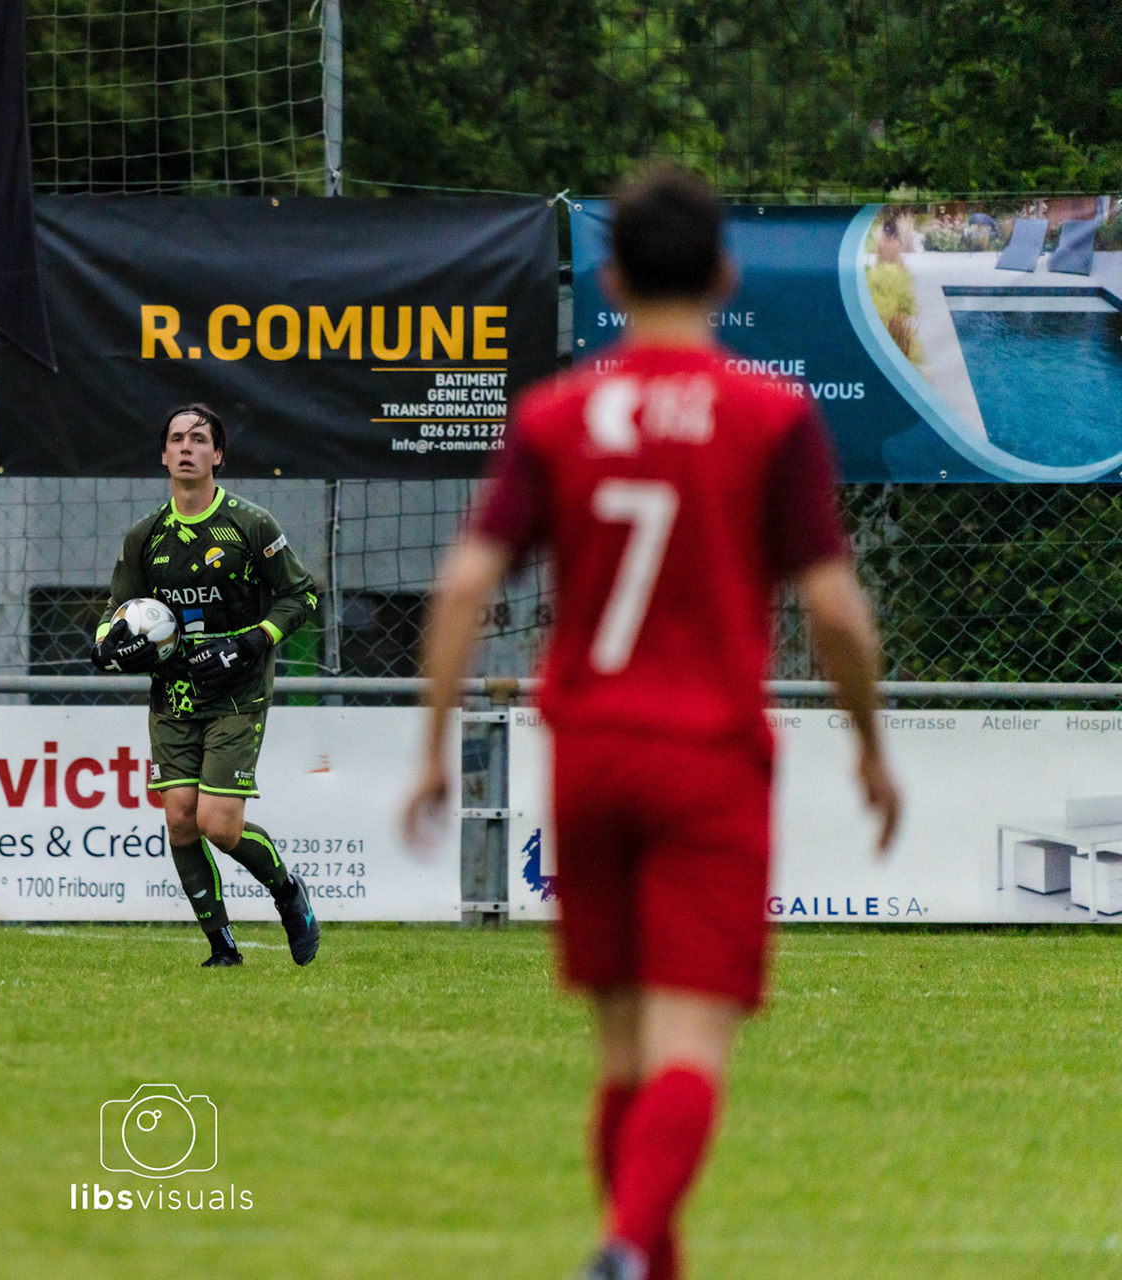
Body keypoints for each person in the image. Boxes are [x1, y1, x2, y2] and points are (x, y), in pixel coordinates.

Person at [403, 167, 902, 1280]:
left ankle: (641, 1258)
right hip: (707, 755)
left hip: (586, 751)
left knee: (622, 1053)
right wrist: (871, 745)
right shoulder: (770, 414)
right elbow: (834, 610)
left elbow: (462, 584)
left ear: (614, 277)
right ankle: (627, 1245)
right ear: (723, 274)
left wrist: (435, 744)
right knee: (689, 1048)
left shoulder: (554, 412)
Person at [91, 403, 323, 968]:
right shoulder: (144, 537)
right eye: (178, 439)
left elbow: (304, 595)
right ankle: (222, 948)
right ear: (164, 455)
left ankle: (289, 892)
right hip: (174, 694)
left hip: (239, 691)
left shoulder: (250, 524)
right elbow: (115, 612)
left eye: (200, 439)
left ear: (217, 455)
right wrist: (106, 646)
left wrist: (251, 641)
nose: (188, 447)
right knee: (179, 818)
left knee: (218, 824)